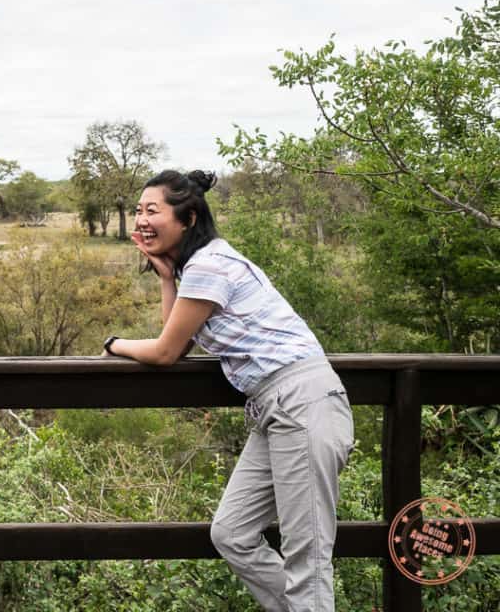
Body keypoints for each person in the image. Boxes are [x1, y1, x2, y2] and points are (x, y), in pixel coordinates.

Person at [103, 169, 354, 612]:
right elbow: (175, 340)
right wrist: (166, 279)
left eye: (152, 211)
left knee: (307, 556)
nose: (141, 220)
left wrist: (113, 345)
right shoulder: (200, 267)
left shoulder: (210, 265)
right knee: (232, 532)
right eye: (138, 211)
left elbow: (164, 352)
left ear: (189, 218)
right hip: (275, 407)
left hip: (302, 402)